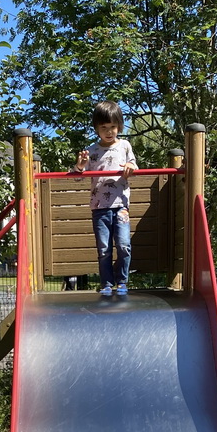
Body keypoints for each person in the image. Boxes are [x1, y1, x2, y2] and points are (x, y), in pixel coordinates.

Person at [71, 101, 137, 298]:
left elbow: (133, 165)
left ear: (119, 126)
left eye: (113, 127)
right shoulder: (91, 151)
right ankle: (107, 283)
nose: (109, 132)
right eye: (104, 128)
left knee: (124, 245)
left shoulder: (124, 145)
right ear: (97, 129)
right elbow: (76, 176)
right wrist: (80, 166)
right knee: (104, 248)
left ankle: (122, 281)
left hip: (121, 206)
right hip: (100, 207)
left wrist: (131, 168)